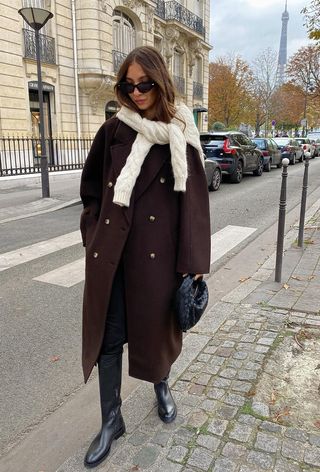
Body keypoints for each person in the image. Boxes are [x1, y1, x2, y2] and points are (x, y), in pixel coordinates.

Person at [80, 45, 211, 468]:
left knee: (156, 333)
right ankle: (110, 420)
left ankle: (161, 385)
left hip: (159, 257)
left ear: (161, 81)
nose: (136, 93)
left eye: (145, 84)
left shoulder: (180, 130)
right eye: (128, 85)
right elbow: (91, 193)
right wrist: (92, 234)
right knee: (108, 338)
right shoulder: (114, 131)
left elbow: (193, 206)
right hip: (113, 257)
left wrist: (192, 263)